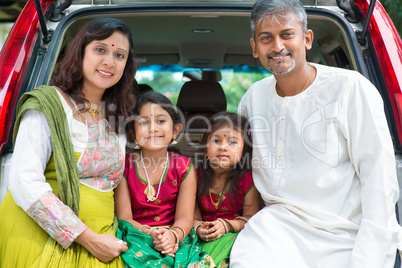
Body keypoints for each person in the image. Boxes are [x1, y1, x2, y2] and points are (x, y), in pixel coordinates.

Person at [230, 0, 402, 267]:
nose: (277, 47)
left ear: (307, 39)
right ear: (254, 48)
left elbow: (379, 183)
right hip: (274, 230)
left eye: (287, 34)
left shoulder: (351, 89)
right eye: (266, 38)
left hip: (344, 232)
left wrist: (370, 257)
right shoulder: (253, 98)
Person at [0, 17, 136, 267]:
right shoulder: (49, 104)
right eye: (100, 49)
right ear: (80, 51)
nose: (109, 61)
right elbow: (24, 180)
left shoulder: (118, 115)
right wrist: (86, 237)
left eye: (120, 55)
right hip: (40, 236)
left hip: (103, 238)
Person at [115, 91, 215, 268]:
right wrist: (151, 233)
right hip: (136, 234)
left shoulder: (184, 167)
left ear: (175, 130)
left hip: (176, 236)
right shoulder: (124, 165)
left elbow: (185, 217)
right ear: (132, 133)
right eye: (144, 122)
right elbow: (124, 218)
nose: (153, 128)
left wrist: (172, 236)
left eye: (161, 121)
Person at [194, 111, 260, 267]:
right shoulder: (195, 177)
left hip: (234, 236)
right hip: (201, 238)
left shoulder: (247, 178)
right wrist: (198, 228)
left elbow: (251, 218)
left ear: (244, 153)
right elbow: (192, 217)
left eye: (232, 142)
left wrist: (227, 226)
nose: (223, 147)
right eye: (216, 140)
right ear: (205, 150)